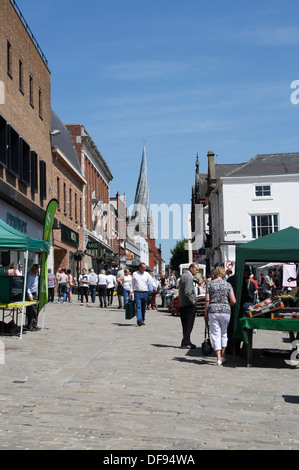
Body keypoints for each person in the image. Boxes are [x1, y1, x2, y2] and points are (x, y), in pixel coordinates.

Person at [204, 266, 236, 365]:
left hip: (213, 310)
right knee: (224, 333)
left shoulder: (210, 284)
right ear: (223, 274)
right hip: (225, 310)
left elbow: (207, 300)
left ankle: (218, 358)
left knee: (215, 334)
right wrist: (228, 305)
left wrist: (205, 313)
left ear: (215, 274)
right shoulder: (228, 285)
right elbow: (234, 300)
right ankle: (224, 355)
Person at [178, 263, 199, 349]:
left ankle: (187, 340)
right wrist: (193, 302)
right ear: (191, 268)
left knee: (187, 324)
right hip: (187, 304)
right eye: (196, 269)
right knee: (188, 324)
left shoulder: (186, 275)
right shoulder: (188, 276)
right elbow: (188, 292)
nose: (197, 271)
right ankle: (186, 342)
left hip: (184, 304)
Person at [26, 264, 40, 331]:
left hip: (35, 293)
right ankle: (30, 325)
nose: (38, 271)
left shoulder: (35, 275)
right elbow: (27, 287)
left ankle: (34, 324)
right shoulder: (30, 275)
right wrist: (30, 296)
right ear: (34, 269)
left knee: (35, 310)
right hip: (31, 294)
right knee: (31, 310)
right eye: (37, 270)